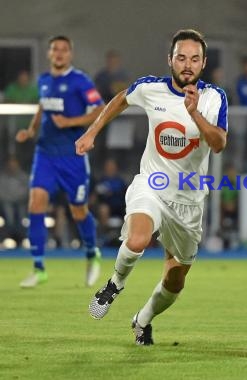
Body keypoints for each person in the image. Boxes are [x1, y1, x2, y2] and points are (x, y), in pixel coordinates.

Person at [77, 29, 228, 345]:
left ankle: (142, 320)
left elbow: (218, 144)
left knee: (175, 282)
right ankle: (114, 284)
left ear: (204, 63)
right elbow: (120, 100)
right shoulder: (150, 88)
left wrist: (194, 114)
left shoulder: (214, 98)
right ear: (170, 59)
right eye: (181, 57)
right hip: (152, 185)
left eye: (194, 59)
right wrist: (92, 132)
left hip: (189, 199)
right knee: (138, 238)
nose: (187, 64)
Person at [15, 35, 104, 288]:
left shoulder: (80, 81)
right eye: (55, 49)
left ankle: (91, 252)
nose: (59, 54)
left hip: (72, 156)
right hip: (45, 154)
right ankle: (39, 267)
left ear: (70, 54)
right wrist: (32, 130)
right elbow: (43, 108)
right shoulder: (43, 80)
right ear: (49, 54)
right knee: (36, 203)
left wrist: (70, 122)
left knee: (78, 210)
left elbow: (100, 109)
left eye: (64, 50)